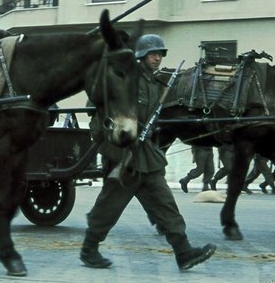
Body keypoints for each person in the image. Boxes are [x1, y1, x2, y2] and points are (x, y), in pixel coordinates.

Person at [80, 34, 216, 271]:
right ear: (141, 56)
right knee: (109, 207)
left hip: (145, 154)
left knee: (165, 205)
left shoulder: (153, 83)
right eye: (153, 54)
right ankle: (89, 250)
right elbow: (104, 105)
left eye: (160, 54)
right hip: (124, 154)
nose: (157, 58)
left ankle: (183, 252)